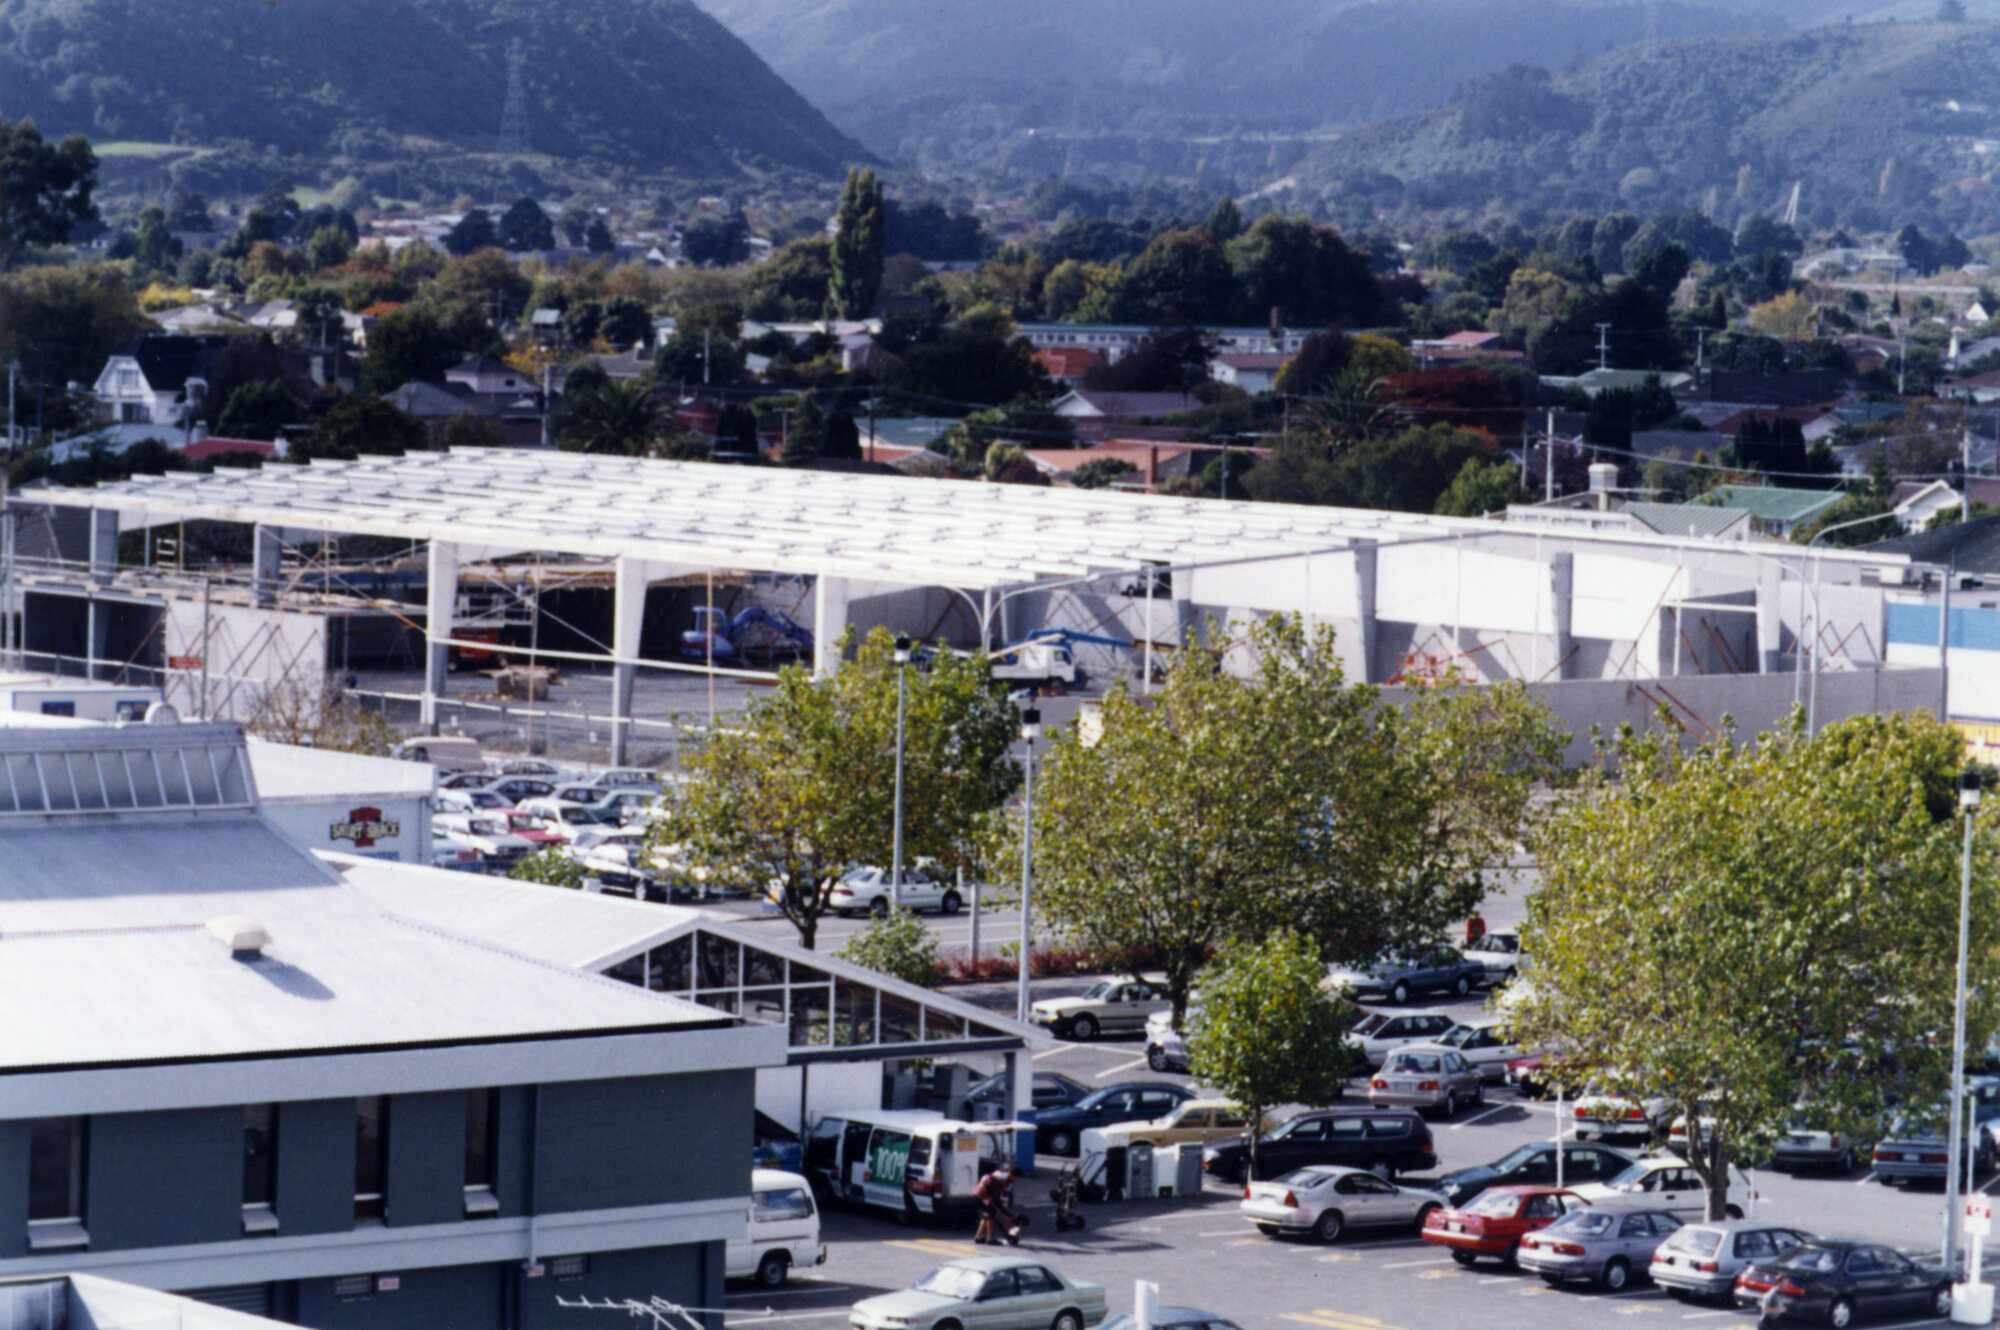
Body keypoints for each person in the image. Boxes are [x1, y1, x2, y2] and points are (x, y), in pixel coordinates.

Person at [974, 1164, 1017, 1245]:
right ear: (1013, 1175)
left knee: (986, 1216)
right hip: (982, 1194)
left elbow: (1004, 1196)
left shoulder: (1009, 1183)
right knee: (990, 1215)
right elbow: (985, 1178)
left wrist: (1005, 1210)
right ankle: (990, 1239)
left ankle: (978, 1237)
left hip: (990, 1195)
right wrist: (983, 1188)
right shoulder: (1001, 1175)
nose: (1017, 1180)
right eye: (1016, 1178)